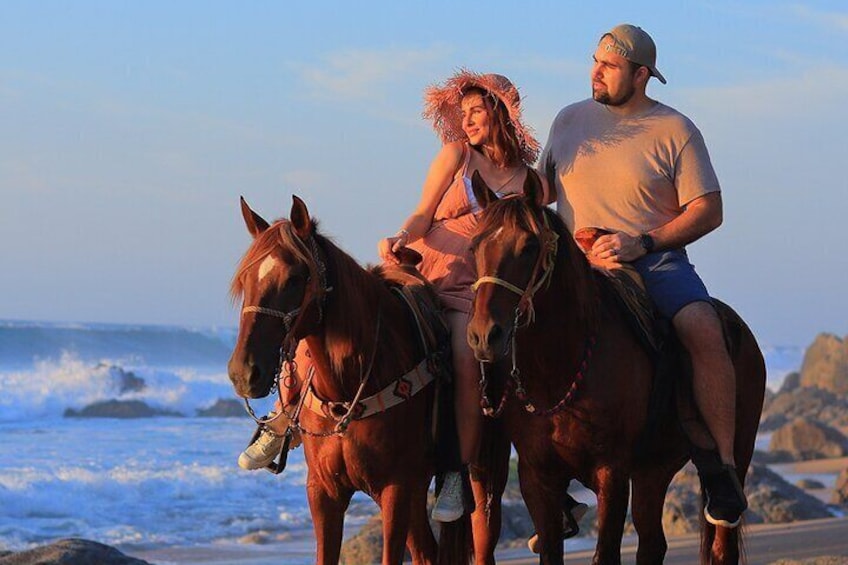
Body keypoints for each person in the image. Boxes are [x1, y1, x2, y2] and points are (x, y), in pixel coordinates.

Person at [538, 23, 748, 528]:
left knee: (703, 328)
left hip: (655, 262)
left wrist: (644, 241)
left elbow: (708, 210)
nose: (595, 73)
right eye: (595, 61)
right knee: (504, 331)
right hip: (577, 266)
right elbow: (541, 189)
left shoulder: (675, 129)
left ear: (640, 75)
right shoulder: (569, 120)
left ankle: (720, 469)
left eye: (608, 67)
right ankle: (541, 479)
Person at [378, 70, 545, 523]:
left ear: (501, 113)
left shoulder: (529, 181)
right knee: (355, 314)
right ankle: (287, 416)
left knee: (466, 358)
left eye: (477, 110)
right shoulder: (455, 155)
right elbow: (422, 213)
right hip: (429, 265)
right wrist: (399, 237)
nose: (467, 120)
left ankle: (454, 474)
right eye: (463, 112)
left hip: (478, 285)